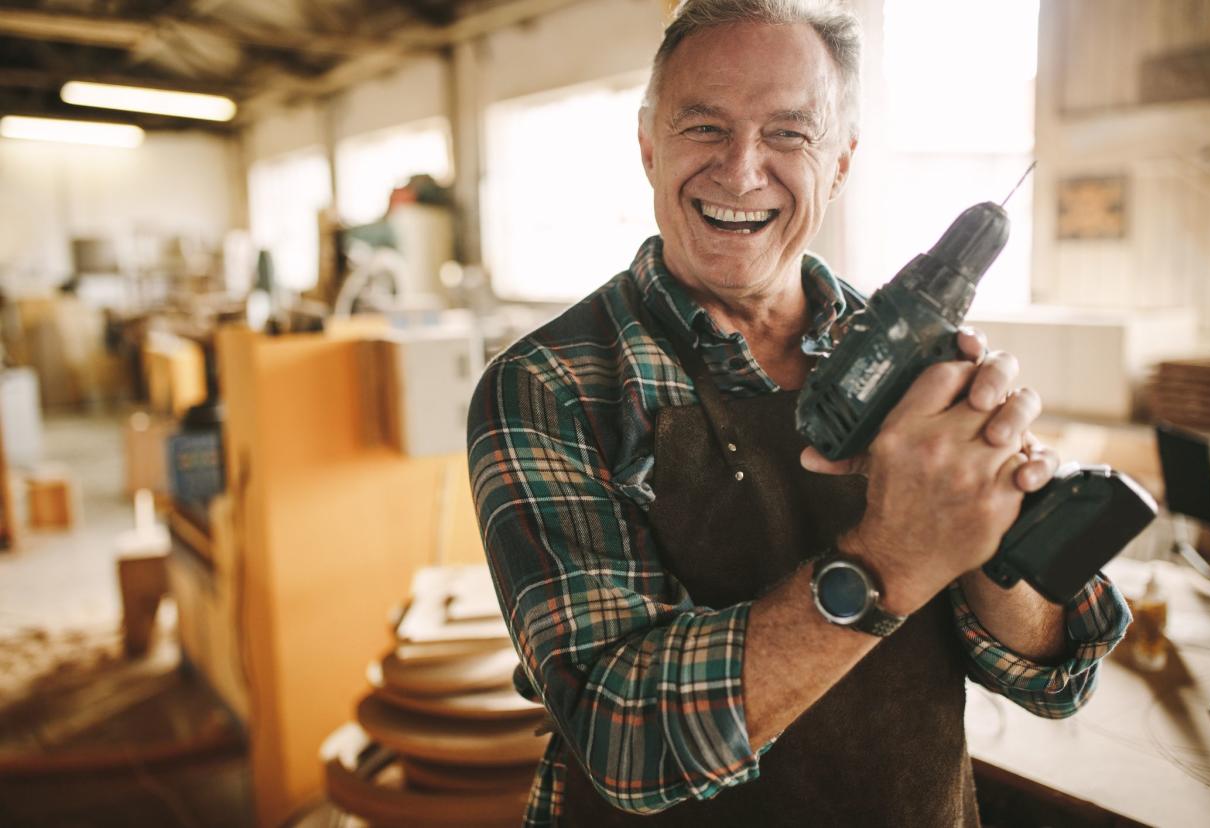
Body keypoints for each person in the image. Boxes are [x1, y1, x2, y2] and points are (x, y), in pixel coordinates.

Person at [468, 1, 1131, 825]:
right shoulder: (547, 386)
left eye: (789, 133)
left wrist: (988, 538)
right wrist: (893, 557)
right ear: (649, 146)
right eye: (704, 127)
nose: (742, 170)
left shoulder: (917, 359)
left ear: (841, 162)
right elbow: (623, 741)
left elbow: (1055, 674)